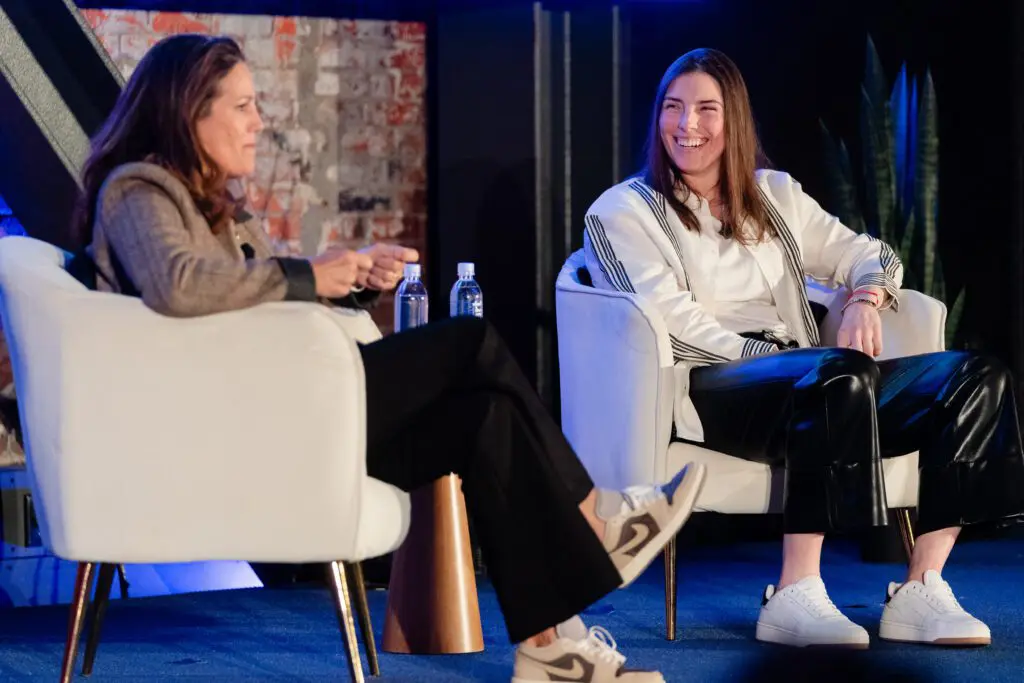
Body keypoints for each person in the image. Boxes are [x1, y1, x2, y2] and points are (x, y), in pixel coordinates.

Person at [73, 34, 708, 683]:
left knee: (484, 416)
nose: (257, 121)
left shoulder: (212, 207)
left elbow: (257, 303)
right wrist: (309, 275)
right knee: (471, 341)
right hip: (248, 429)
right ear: (189, 111)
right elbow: (182, 285)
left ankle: (549, 649)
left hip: (280, 410)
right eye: (241, 105)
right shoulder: (138, 189)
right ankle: (597, 519)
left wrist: (353, 283)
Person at [583, 47, 1024, 649]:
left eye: (706, 109)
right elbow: (667, 321)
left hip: (817, 378)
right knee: (834, 375)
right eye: (673, 108)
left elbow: (870, 254)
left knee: (978, 377)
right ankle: (795, 592)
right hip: (709, 384)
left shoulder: (774, 196)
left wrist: (867, 299)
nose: (687, 126)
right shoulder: (624, 210)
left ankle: (923, 585)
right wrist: (776, 359)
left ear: (734, 120)